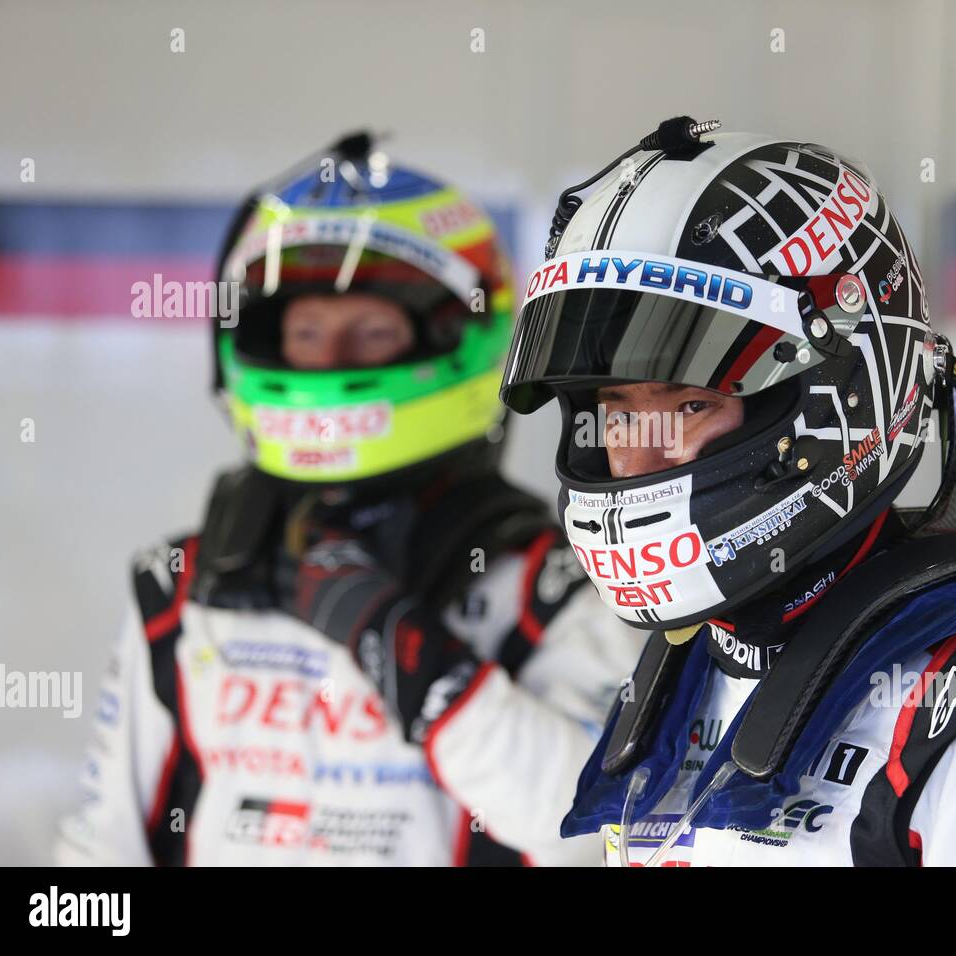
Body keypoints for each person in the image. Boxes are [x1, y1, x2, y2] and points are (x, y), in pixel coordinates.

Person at [499, 117, 956, 866]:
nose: (636, 460)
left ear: (839, 399)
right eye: (616, 411)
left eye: (687, 406)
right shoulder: (683, 681)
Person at [56, 133, 642, 866]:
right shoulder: (181, 585)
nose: (331, 362)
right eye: (306, 332)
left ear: (455, 335)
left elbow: (592, 833)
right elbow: (102, 851)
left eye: (370, 332)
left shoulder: (555, 585)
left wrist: (401, 644)